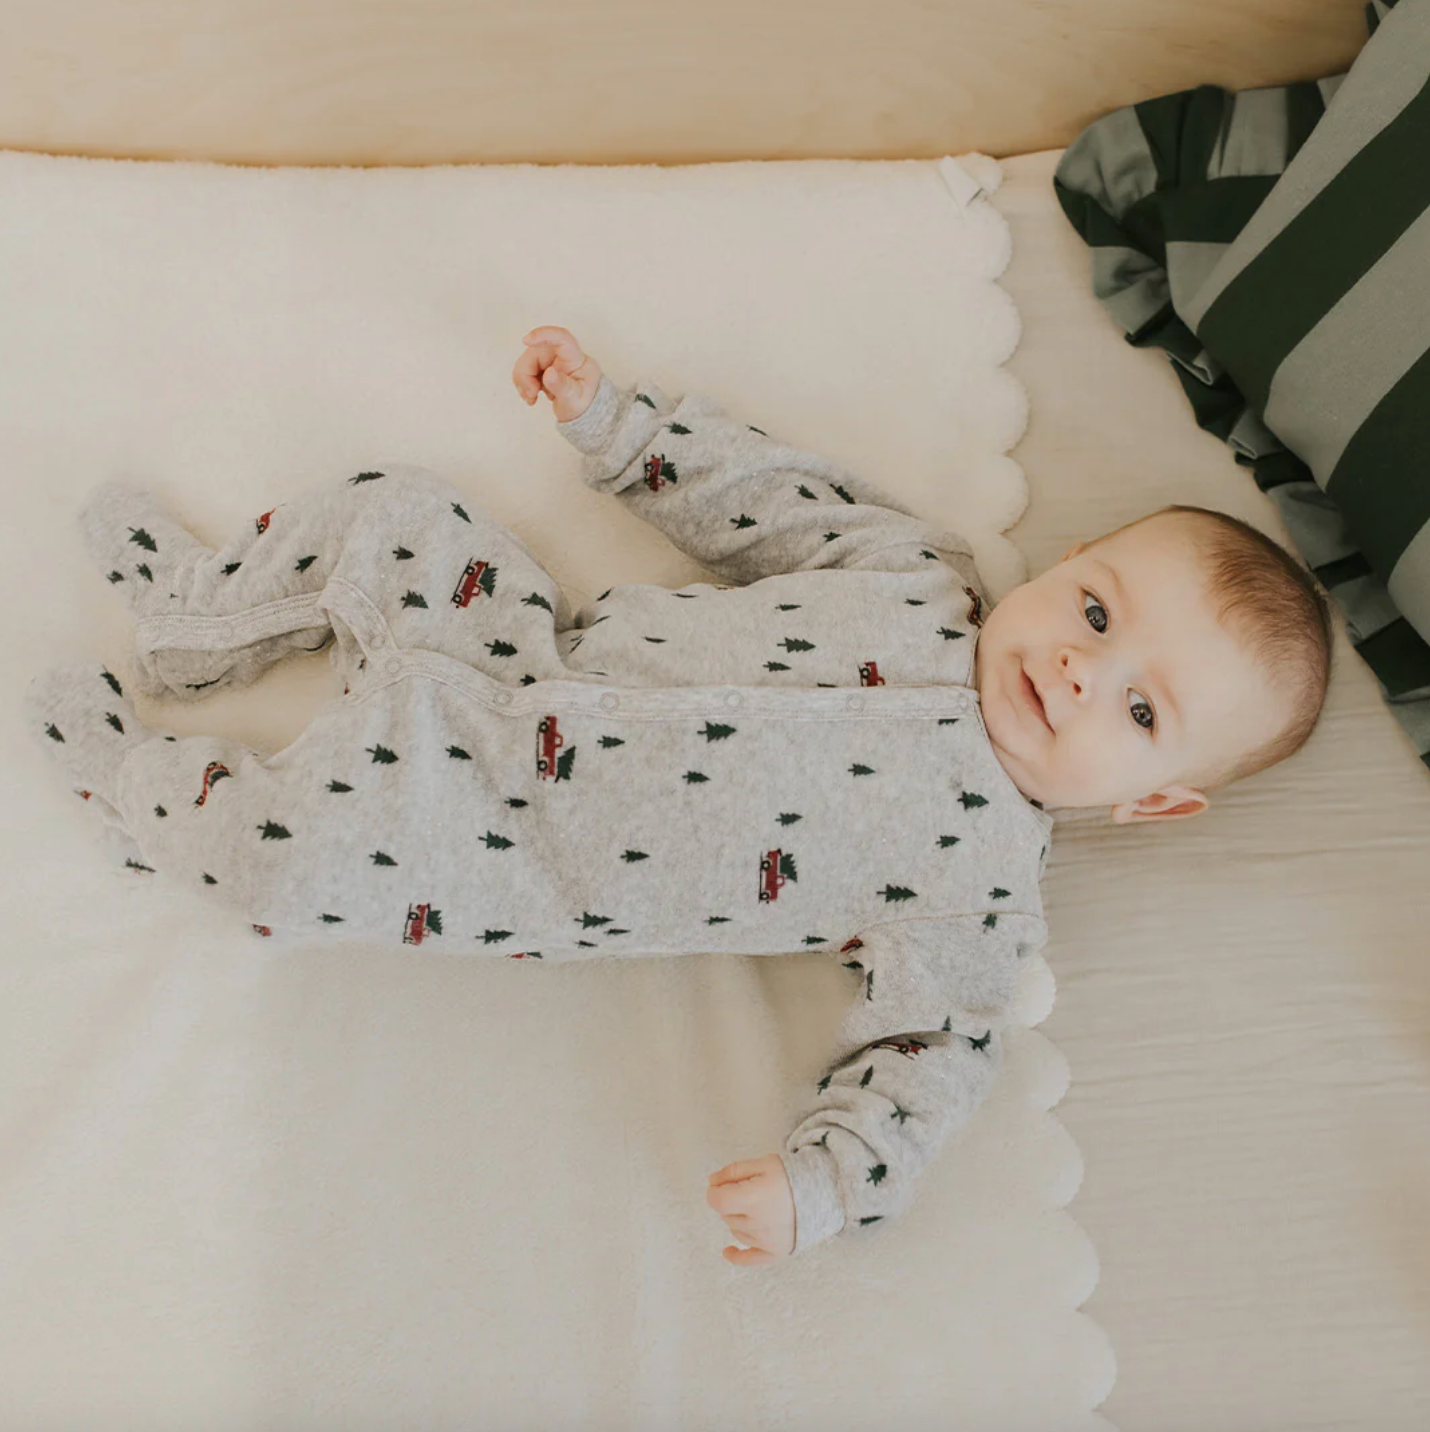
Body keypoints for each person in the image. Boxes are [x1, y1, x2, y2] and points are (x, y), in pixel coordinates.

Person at [22, 326, 1333, 1267]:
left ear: (1151, 803)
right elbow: (759, 502)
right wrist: (619, 426)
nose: (1075, 669)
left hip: (489, 846)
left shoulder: (976, 894)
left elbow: (928, 1064)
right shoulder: (918, 572)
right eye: (1094, 611)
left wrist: (822, 1187)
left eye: (1141, 711)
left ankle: (132, 783)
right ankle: (201, 616)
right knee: (401, 511)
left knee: (280, 872)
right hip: (518, 651)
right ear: (1066, 564)